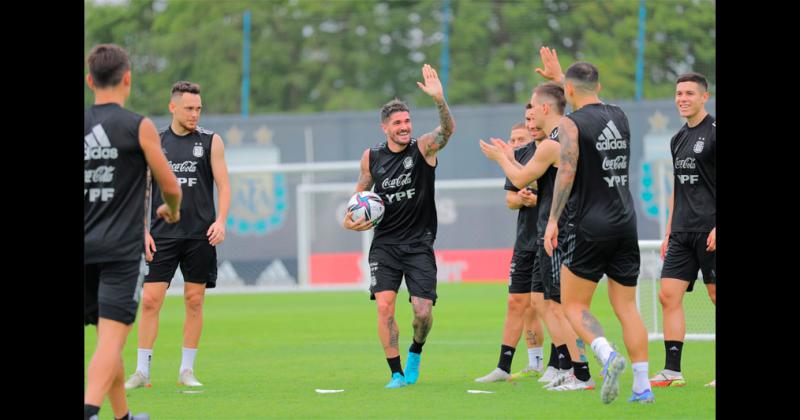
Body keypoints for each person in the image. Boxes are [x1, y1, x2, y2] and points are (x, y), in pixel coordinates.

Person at [537, 47, 654, 403]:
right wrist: (563, 78)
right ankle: (642, 387)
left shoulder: (569, 123)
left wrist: (553, 219)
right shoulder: (620, 115)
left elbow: (567, 170)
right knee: (627, 307)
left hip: (589, 224)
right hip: (625, 222)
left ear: (568, 92)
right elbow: (587, 98)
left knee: (573, 306)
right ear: (598, 85)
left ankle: (606, 354)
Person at [342, 64, 455, 389]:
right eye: (398, 123)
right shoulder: (371, 157)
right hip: (386, 245)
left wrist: (439, 101)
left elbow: (447, 131)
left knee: (422, 312)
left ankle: (416, 351)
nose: (405, 127)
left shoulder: (423, 149)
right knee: (385, 306)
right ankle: (395, 373)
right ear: (385, 127)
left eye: (407, 121)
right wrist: (351, 217)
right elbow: (361, 192)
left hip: (419, 244)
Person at [85, 43, 182, 420]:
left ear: (90, 81)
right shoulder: (137, 125)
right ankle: (90, 411)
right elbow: (171, 187)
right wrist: (170, 211)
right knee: (111, 339)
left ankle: (122, 416)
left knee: (104, 340)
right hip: (119, 252)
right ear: (128, 79)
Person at [479, 82, 595, 392]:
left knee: (560, 305)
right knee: (547, 304)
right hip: (555, 230)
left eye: (533, 109)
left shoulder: (554, 143)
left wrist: (501, 157)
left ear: (545, 109)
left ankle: (583, 364)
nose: (530, 119)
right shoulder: (566, 137)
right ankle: (574, 365)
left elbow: (520, 178)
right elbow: (519, 186)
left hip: (560, 232)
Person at [125, 81, 231, 390]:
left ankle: (187, 370)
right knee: (150, 300)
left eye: (198, 108)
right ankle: (142, 371)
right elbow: (141, 190)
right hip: (162, 236)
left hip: (200, 236)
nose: (195, 114)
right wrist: (142, 229)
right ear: (173, 107)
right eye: (189, 108)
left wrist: (221, 220)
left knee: (194, 300)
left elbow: (224, 185)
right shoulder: (155, 141)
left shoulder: (211, 141)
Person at [649, 72, 716, 388]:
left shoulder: (714, 132)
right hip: (682, 232)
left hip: (710, 230)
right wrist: (668, 231)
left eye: (689, 93)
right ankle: (672, 370)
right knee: (668, 294)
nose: (682, 99)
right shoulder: (677, 138)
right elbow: (678, 186)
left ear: (705, 97)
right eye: (678, 93)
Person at [474, 116, 548, 383]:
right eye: (512, 139)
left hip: (548, 240)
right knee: (517, 302)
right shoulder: (514, 163)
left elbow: (556, 194)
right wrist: (522, 198)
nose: (515, 144)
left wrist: (535, 197)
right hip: (524, 242)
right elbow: (510, 199)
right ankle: (504, 367)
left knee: (547, 305)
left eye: (521, 139)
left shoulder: (547, 154)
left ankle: (567, 362)